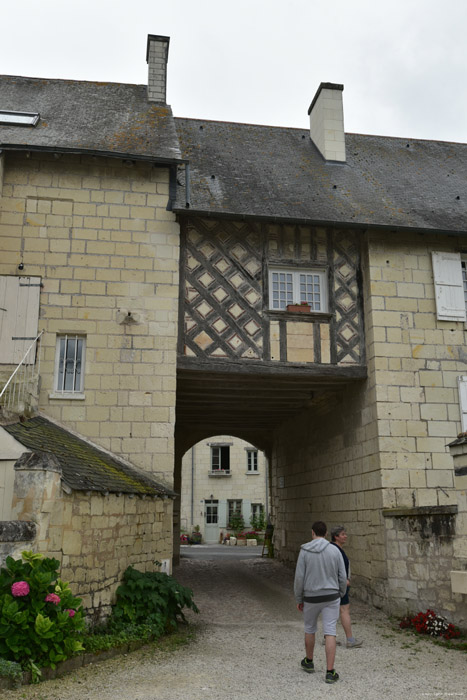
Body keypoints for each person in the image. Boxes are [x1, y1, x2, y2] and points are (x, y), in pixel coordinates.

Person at [294, 520, 347, 685]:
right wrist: (341, 593)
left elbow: (299, 578)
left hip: (311, 596)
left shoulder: (304, 551)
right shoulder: (335, 550)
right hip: (331, 596)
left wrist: (298, 598)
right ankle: (330, 672)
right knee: (330, 631)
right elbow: (342, 576)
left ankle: (309, 661)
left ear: (312, 533)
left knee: (310, 628)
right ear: (325, 534)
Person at [330, 525, 363, 648]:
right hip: (339, 586)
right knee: (344, 610)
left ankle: (327, 637)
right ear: (336, 536)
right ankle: (350, 639)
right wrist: (344, 581)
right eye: (343, 534)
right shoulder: (336, 550)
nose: (345, 536)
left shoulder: (332, 549)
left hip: (334, 585)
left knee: (331, 610)